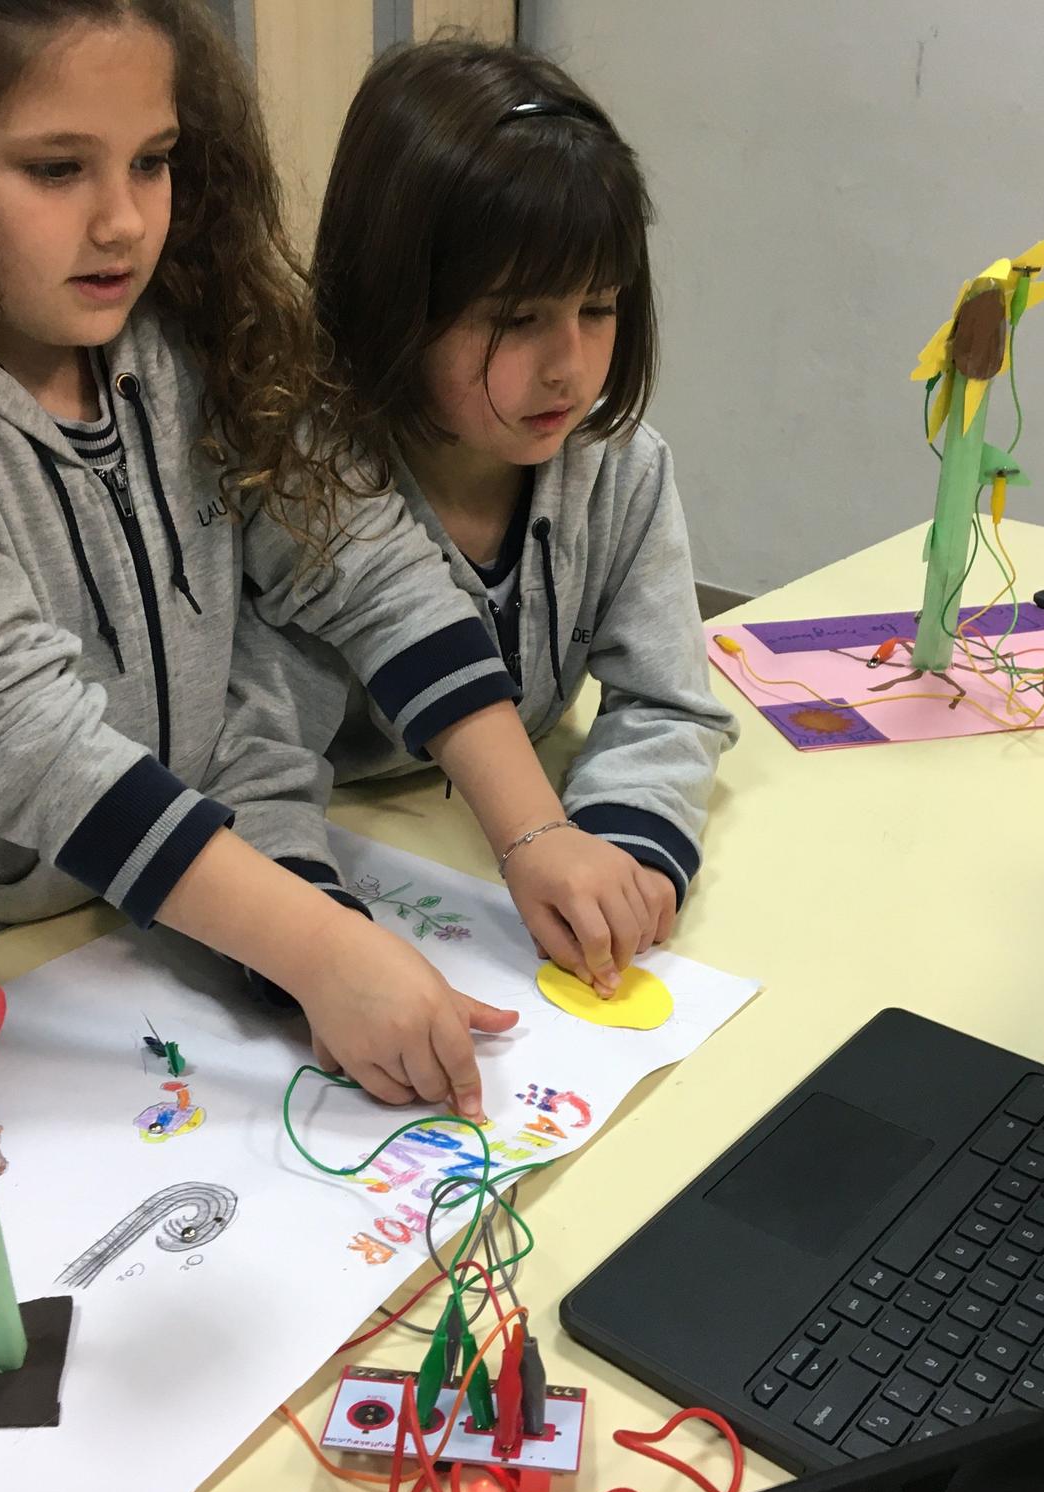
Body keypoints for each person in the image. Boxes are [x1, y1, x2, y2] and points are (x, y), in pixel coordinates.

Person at [0, 0, 657, 1117]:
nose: (124, 222)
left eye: (154, 161)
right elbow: (32, 746)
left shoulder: (184, 349)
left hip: (185, 926)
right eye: (54, 170)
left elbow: (361, 564)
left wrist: (532, 828)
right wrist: (319, 948)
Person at [241, 39, 737, 937]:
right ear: (392, 302)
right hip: (361, 877)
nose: (570, 368)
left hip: (503, 855)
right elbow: (251, 770)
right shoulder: (305, 486)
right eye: (517, 319)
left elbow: (665, 701)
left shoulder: (619, 470)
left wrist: (630, 845)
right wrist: (320, 938)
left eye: (600, 308)